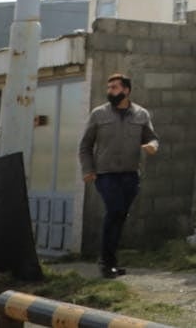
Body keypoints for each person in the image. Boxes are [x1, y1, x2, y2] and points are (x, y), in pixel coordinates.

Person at [78, 72, 159, 279]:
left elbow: (152, 138)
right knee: (114, 211)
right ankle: (106, 262)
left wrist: (151, 146)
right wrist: (88, 170)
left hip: (131, 175)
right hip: (106, 174)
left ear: (126, 90)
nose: (110, 91)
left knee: (120, 216)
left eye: (115, 87)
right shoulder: (98, 114)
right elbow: (85, 145)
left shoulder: (141, 114)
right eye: (109, 87)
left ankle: (111, 261)